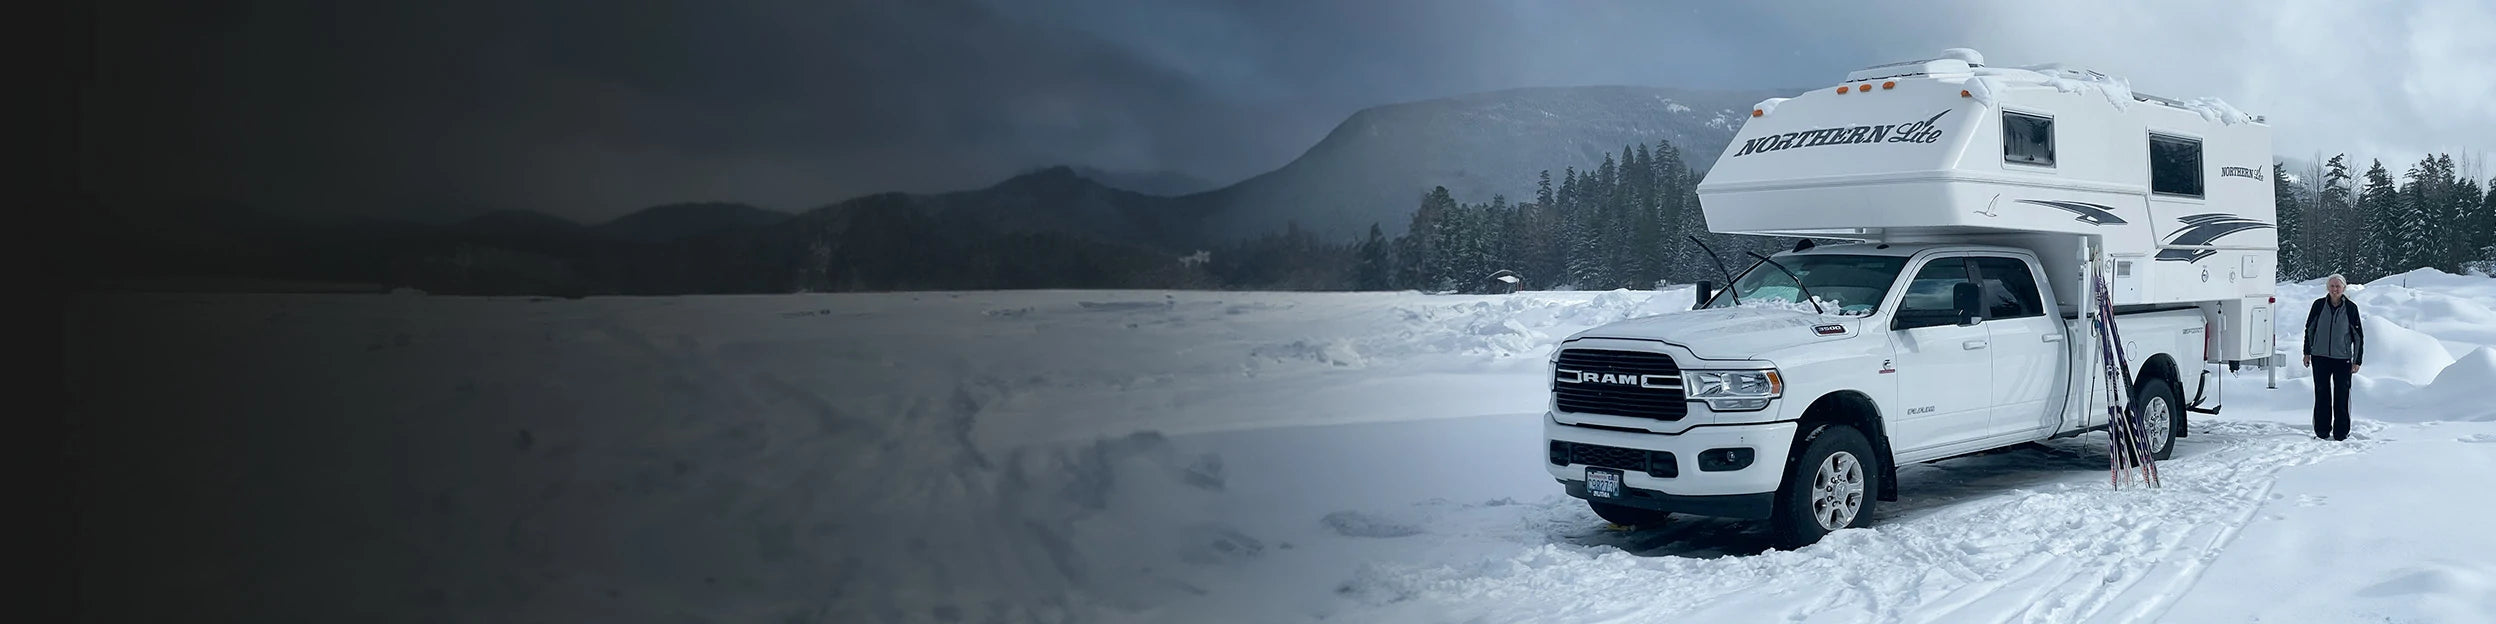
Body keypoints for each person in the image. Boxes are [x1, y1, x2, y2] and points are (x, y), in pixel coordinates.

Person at [2302, 274, 2365, 441]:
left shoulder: (2351, 308)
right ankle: (2321, 431)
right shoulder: (2318, 305)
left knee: (2342, 395)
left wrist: (2357, 360)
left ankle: (2341, 432)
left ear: (2344, 288)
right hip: (2320, 357)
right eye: (2332, 286)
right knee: (2322, 393)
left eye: (2338, 286)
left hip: (2342, 359)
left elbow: (2358, 336)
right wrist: (2307, 352)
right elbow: (2309, 330)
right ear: (2327, 288)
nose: (2335, 289)